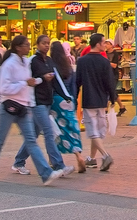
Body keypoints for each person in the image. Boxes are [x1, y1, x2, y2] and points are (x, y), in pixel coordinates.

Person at [0, 35, 63, 187]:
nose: (29, 47)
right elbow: (3, 88)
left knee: (31, 141)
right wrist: (23, 83)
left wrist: (41, 79)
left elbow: (30, 82)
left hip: (23, 108)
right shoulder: (9, 64)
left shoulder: (25, 63)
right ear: (18, 47)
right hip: (9, 107)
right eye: (26, 45)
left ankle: (46, 173)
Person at [12, 34, 71, 178]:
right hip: (36, 102)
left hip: (47, 101)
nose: (46, 45)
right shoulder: (32, 61)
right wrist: (41, 79)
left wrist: (66, 96)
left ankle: (19, 162)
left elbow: (56, 80)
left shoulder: (49, 61)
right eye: (44, 43)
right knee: (49, 133)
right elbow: (27, 80)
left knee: (33, 134)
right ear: (37, 44)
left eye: (48, 43)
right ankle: (59, 165)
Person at [77, 33, 117, 172]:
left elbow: (78, 82)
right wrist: (112, 98)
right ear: (97, 44)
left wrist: (74, 98)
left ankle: (103, 156)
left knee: (93, 131)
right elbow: (110, 83)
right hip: (101, 100)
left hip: (89, 100)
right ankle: (92, 158)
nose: (105, 45)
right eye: (103, 42)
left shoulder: (82, 61)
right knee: (98, 131)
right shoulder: (104, 62)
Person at [49, 40, 86, 172]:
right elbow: (73, 87)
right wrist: (74, 103)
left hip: (55, 102)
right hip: (68, 100)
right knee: (71, 130)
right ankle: (78, 156)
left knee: (55, 131)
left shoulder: (50, 66)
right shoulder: (68, 66)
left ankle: (53, 160)